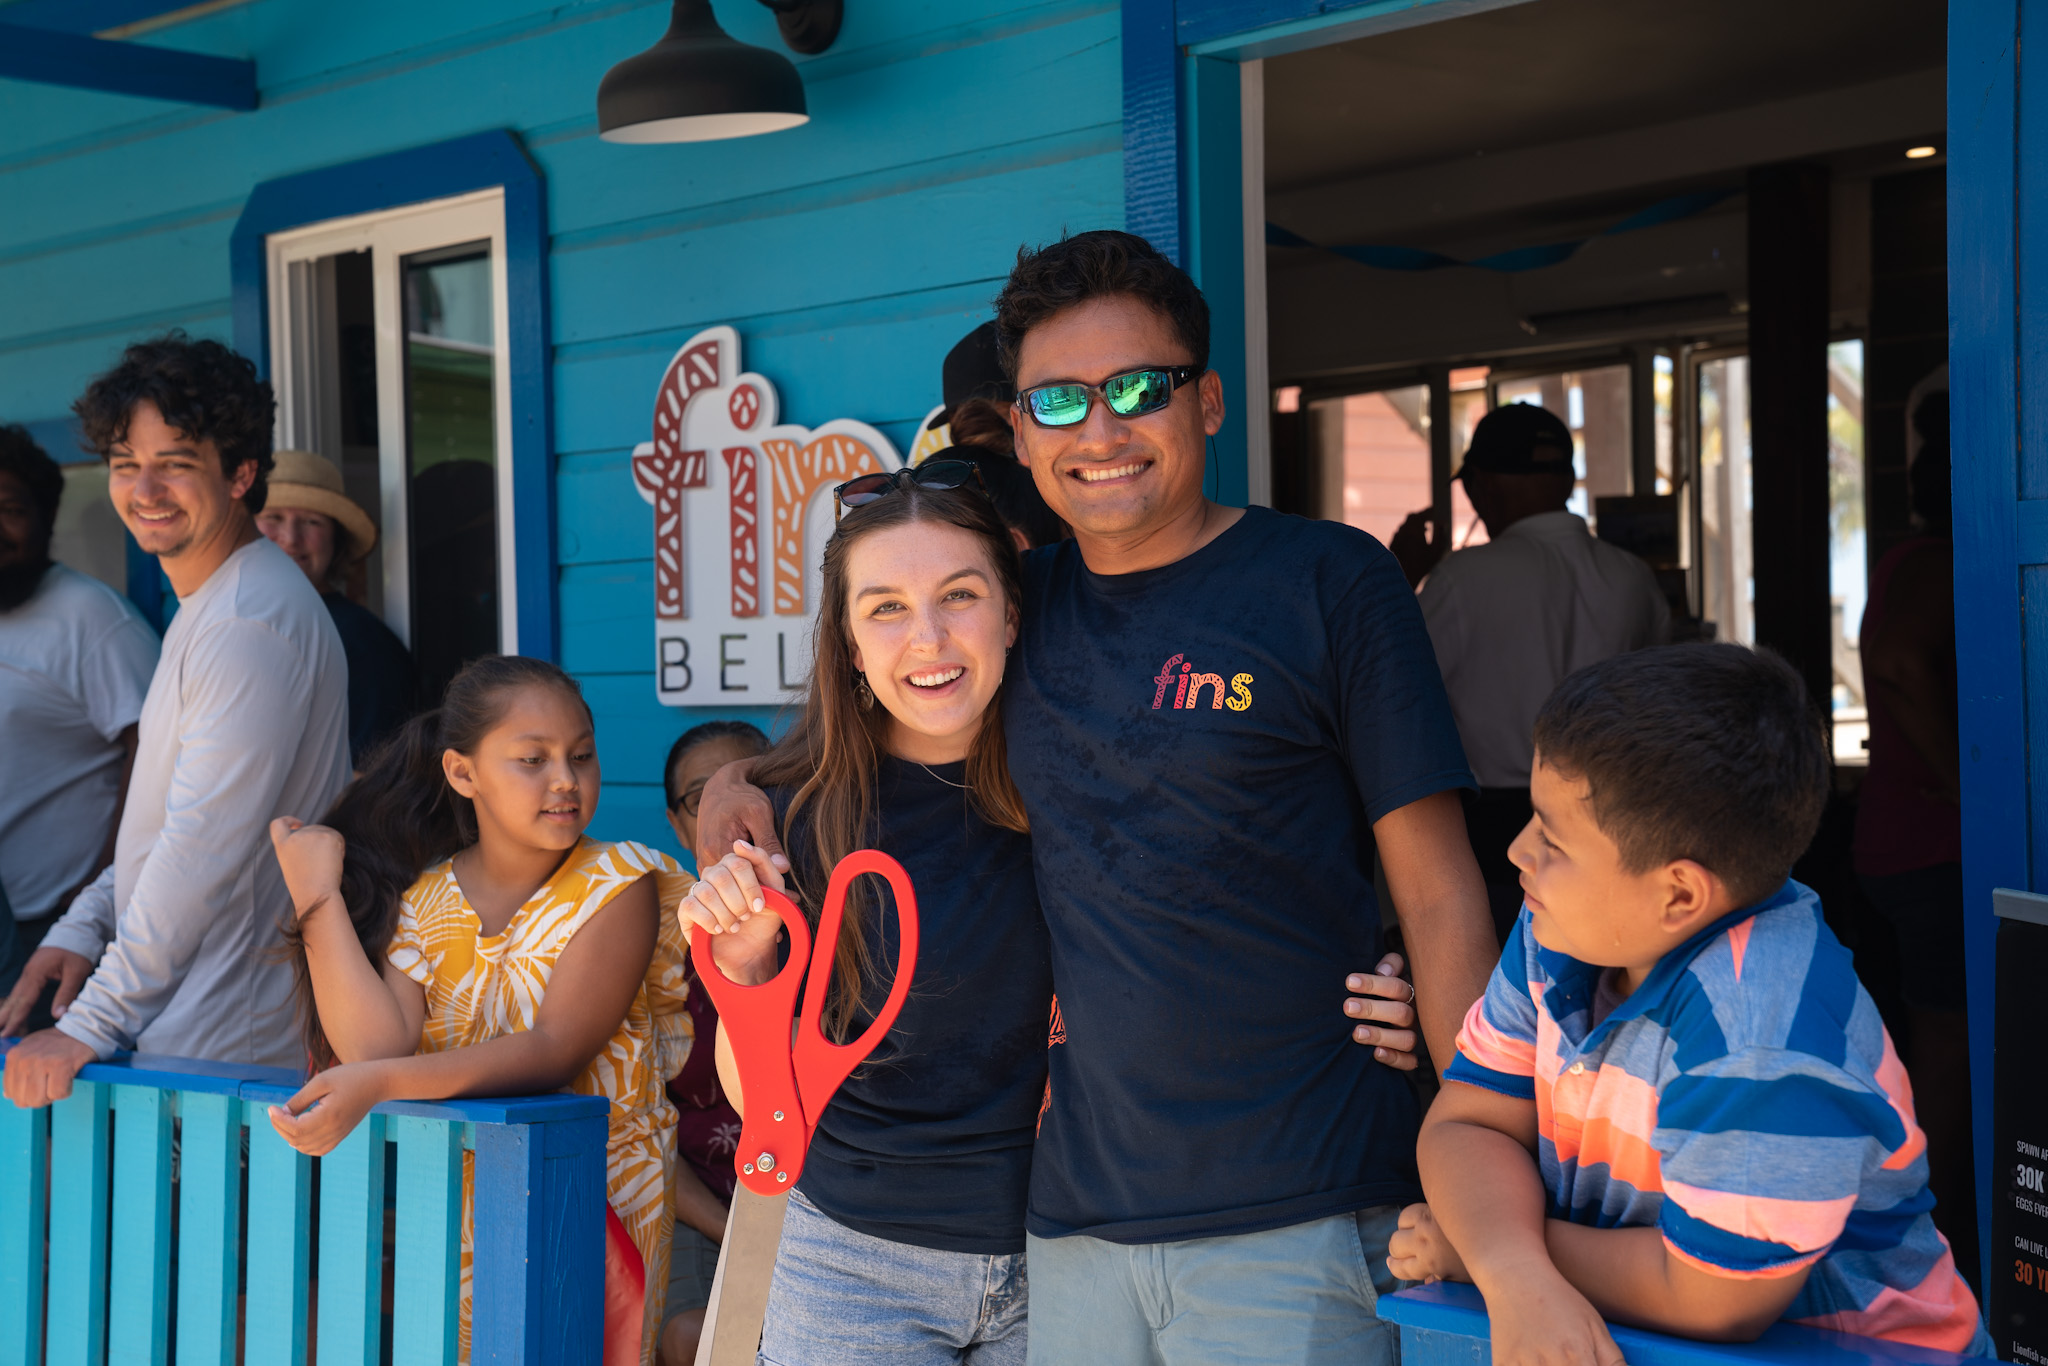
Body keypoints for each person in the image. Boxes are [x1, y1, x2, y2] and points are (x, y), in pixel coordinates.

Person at [702, 229, 1494, 1366]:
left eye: (1137, 389)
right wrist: (731, 791)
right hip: (1073, 1229)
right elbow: (855, 725)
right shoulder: (1012, 608)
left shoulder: (1329, 579)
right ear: (1020, 431)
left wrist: (1472, 1146)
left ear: (1207, 400)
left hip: (1297, 1199)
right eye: (1060, 401)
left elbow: (1440, 890)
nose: (1101, 431)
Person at [1391, 643, 1988, 1364]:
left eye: (1552, 838)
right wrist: (1513, 1272)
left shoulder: (1761, 1030)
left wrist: (1484, 1249)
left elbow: (1715, 1298)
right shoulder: (1559, 926)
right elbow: (1469, 1121)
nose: (1518, 851)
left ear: (1678, 894)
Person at [265, 655, 693, 1365]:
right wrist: (317, 897)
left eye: (581, 756)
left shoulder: (618, 883)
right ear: (463, 774)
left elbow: (553, 1047)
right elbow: (376, 1044)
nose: (566, 779)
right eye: (533, 759)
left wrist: (379, 1083)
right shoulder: (429, 900)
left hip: (595, 1198)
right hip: (458, 1201)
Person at [0, 334, 350, 1102]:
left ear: (241, 474)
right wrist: (83, 926)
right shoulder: (215, 602)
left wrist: (89, 1022)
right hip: (195, 1034)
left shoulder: (247, 624)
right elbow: (164, 830)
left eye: (177, 463)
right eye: (125, 463)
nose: (145, 489)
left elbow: (200, 849)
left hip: (236, 1054)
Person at [1391, 403, 1670, 942]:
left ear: (1485, 485)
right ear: (1566, 479)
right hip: (1614, 815)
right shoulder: (1633, 577)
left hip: (1494, 826)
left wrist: (1398, 579)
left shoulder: (1464, 579)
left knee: (1505, 973)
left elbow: (1393, 687)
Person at [1854, 390, 1971, 1261]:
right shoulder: (1935, 563)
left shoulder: (1912, 560)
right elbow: (1898, 662)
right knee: (1948, 1050)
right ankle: (1939, 1237)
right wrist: (1968, 784)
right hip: (1932, 848)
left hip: (1905, 844)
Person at [0, 425, 158, 1006]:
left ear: (45, 518)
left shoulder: (92, 618)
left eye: (11, 510)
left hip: (49, 925)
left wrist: (98, 885)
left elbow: (155, 748)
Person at [656, 719, 765, 1366]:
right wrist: (736, 1234)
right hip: (701, 1202)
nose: (732, 810)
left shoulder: (834, 918)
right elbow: (642, 1125)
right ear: (677, 824)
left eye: (756, 783)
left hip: (817, 1208)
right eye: (702, 797)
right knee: (694, 1339)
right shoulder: (658, 945)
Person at [256, 448, 415, 766]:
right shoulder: (238, 623)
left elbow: (369, 778)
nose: (290, 537)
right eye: (274, 517)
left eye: (311, 521)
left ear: (335, 542)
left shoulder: (360, 641)